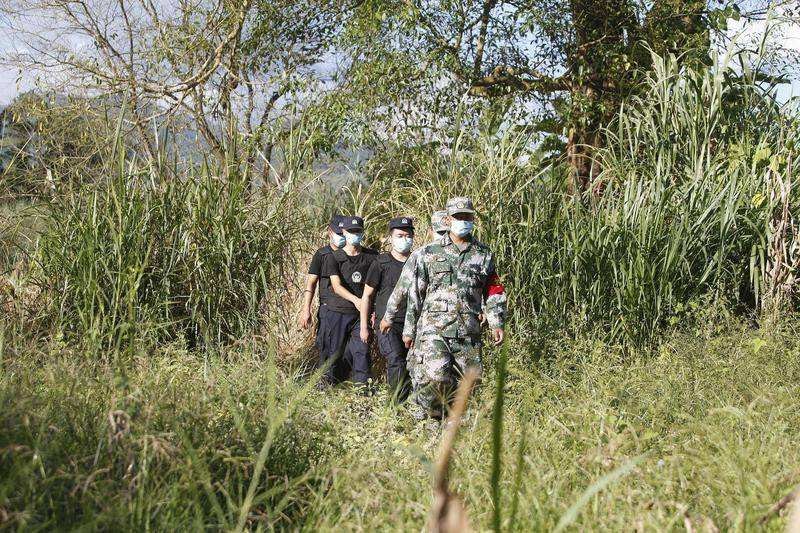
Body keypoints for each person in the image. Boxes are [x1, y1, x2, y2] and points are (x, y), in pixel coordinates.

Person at [402, 197, 506, 420]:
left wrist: (497, 322)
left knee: (467, 385)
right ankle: (431, 417)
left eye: (468, 217)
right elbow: (415, 294)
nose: (464, 221)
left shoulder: (483, 254)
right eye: (459, 217)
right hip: (434, 330)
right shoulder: (428, 253)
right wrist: (409, 329)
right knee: (435, 377)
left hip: (468, 330)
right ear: (448, 219)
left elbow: (494, 290)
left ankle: (456, 428)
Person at [360, 216, 415, 403]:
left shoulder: (419, 261)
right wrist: (364, 326)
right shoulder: (380, 263)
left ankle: (413, 404)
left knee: (413, 365)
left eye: (408, 235)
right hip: (387, 324)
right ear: (390, 237)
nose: (404, 239)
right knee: (396, 359)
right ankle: (396, 406)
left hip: (414, 323)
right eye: (400, 235)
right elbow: (367, 296)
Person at [321, 216, 379, 389]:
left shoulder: (372, 257)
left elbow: (376, 285)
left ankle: (363, 388)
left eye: (358, 231)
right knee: (334, 352)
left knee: (362, 350)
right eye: (351, 231)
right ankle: (328, 386)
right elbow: (336, 286)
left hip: (360, 315)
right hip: (337, 311)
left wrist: (372, 308)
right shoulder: (334, 257)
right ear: (344, 232)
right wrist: (356, 300)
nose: (355, 234)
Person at [379, 210, 449, 334]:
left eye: (448, 232)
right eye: (441, 232)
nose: (444, 237)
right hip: (430, 325)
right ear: (431, 232)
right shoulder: (422, 255)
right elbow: (404, 290)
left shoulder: (473, 253)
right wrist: (389, 317)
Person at [299, 214, 346, 380]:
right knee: (326, 347)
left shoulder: (353, 254)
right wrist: (306, 310)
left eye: (344, 233)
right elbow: (310, 284)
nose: (342, 237)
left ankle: (342, 384)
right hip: (328, 309)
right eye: (338, 233)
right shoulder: (322, 255)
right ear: (330, 232)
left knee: (346, 352)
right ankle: (323, 385)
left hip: (349, 310)